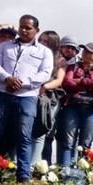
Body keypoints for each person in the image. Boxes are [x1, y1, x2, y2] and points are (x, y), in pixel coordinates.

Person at [0, 15, 53, 182]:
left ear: (36, 30)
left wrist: (23, 83)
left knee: (24, 134)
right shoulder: (5, 47)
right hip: (2, 93)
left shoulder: (44, 52)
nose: (24, 30)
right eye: (22, 26)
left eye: (28, 28)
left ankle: (23, 173)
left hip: (27, 96)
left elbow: (45, 73)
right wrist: (7, 78)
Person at [58, 43, 93, 167]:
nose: (85, 53)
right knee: (68, 140)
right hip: (72, 106)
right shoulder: (73, 66)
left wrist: (80, 81)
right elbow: (67, 83)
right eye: (85, 50)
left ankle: (81, 172)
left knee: (86, 143)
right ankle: (65, 170)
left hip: (92, 109)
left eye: (89, 51)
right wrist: (91, 84)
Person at [30, 31, 64, 165]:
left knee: (41, 131)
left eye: (46, 41)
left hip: (48, 99)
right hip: (30, 95)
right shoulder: (32, 52)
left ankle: (34, 165)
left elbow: (59, 80)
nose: (43, 43)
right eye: (41, 40)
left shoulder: (60, 60)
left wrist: (44, 87)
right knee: (24, 128)